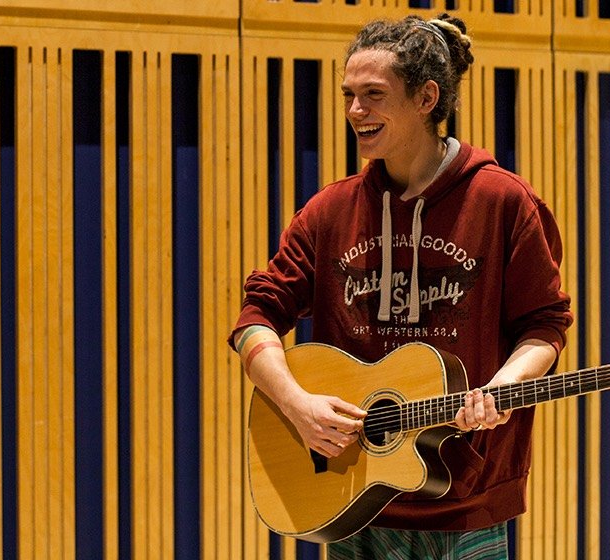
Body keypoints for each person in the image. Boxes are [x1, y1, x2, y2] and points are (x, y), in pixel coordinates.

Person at [231, 13, 573, 559]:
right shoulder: (328, 211)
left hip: (464, 498)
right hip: (347, 490)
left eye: (373, 95)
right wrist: (296, 405)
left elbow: (545, 324)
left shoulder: (503, 203)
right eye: (349, 95)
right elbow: (256, 317)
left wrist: (503, 385)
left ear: (426, 98)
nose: (354, 112)